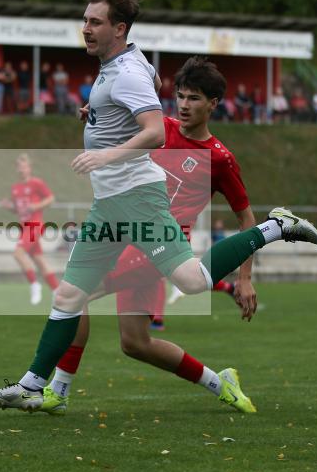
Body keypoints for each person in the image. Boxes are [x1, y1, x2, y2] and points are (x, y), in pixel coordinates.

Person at [0, 0, 317, 414]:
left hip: (138, 201)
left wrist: (105, 154)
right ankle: (33, 385)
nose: (85, 28)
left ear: (118, 28)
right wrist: (99, 116)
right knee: (72, 299)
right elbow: (152, 90)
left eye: (95, 22)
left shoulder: (130, 77)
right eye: (84, 20)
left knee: (192, 283)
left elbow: (153, 129)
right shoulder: (126, 62)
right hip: (110, 206)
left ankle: (275, 227)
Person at [43, 57, 264, 412]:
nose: (185, 104)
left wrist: (246, 278)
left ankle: (58, 391)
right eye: (181, 96)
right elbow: (116, 127)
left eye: (194, 98)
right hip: (128, 235)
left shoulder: (220, 159)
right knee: (136, 343)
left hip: (159, 247)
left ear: (213, 104)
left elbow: (246, 220)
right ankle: (218, 380)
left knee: (75, 294)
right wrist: (94, 113)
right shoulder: (159, 129)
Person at [0, 154, 58, 305]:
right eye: (19, 166)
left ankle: (34, 285)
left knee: (18, 254)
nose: (21, 169)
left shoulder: (36, 183)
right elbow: (19, 210)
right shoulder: (15, 188)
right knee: (40, 261)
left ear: (29, 168)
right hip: (24, 227)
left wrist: (36, 206)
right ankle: (58, 292)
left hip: (35, 225)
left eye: (24, 166)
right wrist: (9, 207)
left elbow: (51, 198)